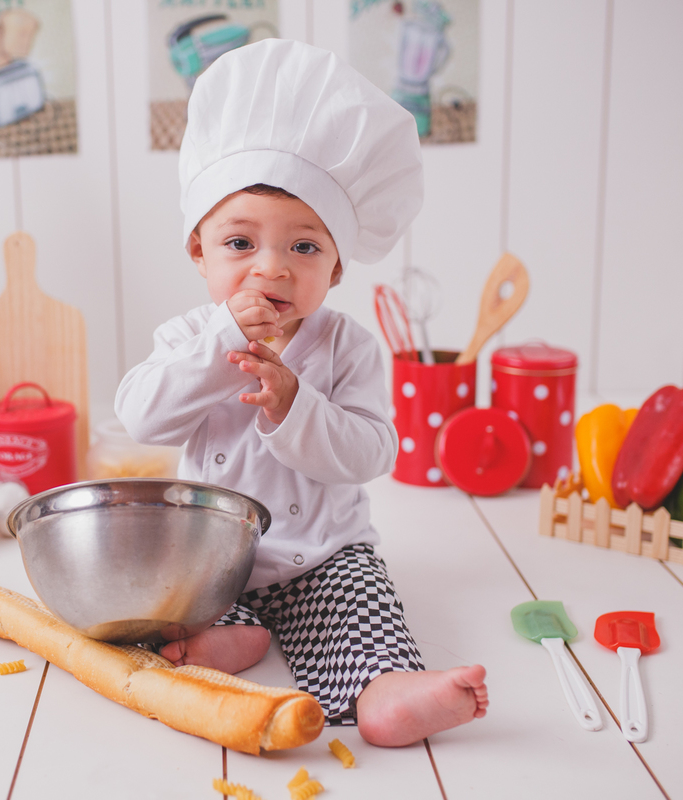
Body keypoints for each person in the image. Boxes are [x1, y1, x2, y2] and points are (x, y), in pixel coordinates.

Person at [114, 39, 488, 747]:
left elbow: (375, 449)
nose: (272, 269)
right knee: (171, 606)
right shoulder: (190, 335)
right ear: (198, 252)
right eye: (239, 244)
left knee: (357, 604)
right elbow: (140, 414)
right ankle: (230, 636)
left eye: (304, 248)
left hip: (322, 553)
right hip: (213, 558)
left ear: (338, 267)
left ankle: (387, 694)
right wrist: (217, 352)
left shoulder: (346, 347)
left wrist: (295, 404)